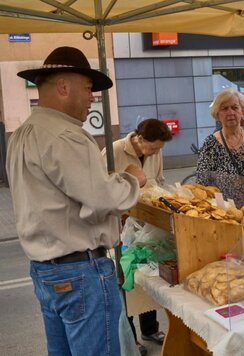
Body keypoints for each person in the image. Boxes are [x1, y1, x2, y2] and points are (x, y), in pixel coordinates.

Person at [6, 46, 146, 355]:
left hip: (46, 270)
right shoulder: (65, 135)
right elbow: (102, 197)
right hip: (80, 271)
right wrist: (132, 179)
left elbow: (62, 193)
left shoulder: (22, 134)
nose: (92, 98)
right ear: (63, 87)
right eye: (88, 89)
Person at [102, 118, 172, 355]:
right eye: (152, 148)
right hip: (122, 227)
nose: (155, 153)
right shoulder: (113, 151)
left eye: (159, 149)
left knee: (148, 275)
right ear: (139, 138)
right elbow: (103, 189)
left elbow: (159, 182)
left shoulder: (156, 152)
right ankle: (132, 338)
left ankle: (150, 328)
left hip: (147, 224)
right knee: (127, 280)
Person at [196, 88, 244, 206]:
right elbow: (202, 184)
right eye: (224, 109)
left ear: (242, 110)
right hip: (227, 213)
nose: (230, 113)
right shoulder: (210, 144)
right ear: (217, 114)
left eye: (235, 107)